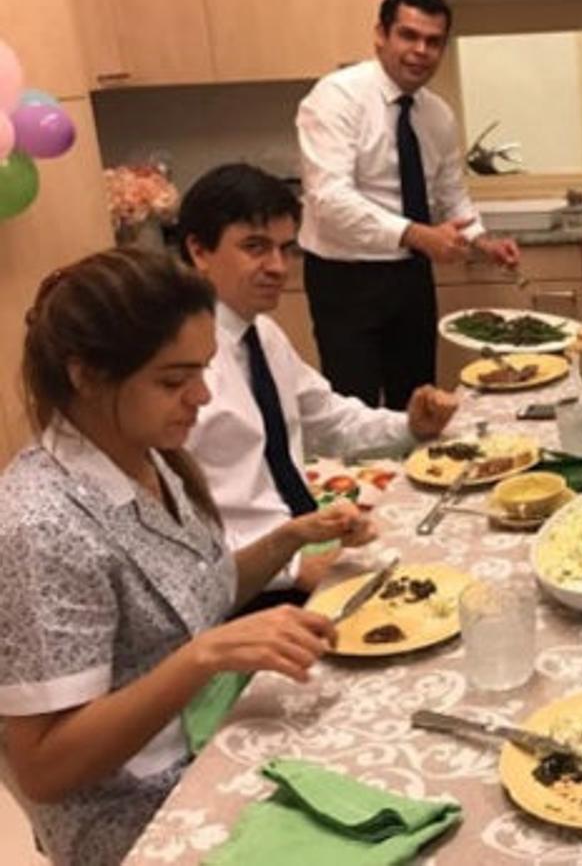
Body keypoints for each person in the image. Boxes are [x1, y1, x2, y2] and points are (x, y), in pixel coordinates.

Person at [0, 249, 375, 866]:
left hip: (212, 732)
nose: (200, 397)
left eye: (203, 370)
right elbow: (43, 766)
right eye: (173, 380)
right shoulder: (41, 526)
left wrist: (291, 538)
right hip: (133, 810)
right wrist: (203, 658)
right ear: (86, 375)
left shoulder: (145, 454)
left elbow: (191, 597)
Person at [179, 163, 458, 603]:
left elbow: (329, 419)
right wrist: (291, 571)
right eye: (255, 247)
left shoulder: (263, 335)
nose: (278, 267)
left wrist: (410, 427)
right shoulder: (176, 367)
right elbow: (173, 532)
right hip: (249, 587)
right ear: (199, 250)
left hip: (304, 543)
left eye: (286, 249)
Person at [296, 0, 520, 407]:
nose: (421, 50)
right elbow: (329, 198)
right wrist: (418, 235)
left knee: (417, 403)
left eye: (433, 41)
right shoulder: (336, 96)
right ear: (381, 34)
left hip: (411, 278)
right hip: (345, 278)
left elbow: (452, 195)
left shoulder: (437, 114)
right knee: (353, 407)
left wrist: (481, 241)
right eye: (409, 36)